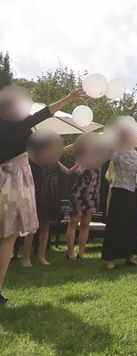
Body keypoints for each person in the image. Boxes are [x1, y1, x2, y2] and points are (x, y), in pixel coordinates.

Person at [0, 86, 83, 304]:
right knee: (7, 236)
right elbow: (47, 112)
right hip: (12, 185)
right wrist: (69, 97)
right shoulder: (22, 123)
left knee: (7, 236)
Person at [21, 133, 65, 267]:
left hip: (51, 193)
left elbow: (65, 153)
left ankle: (41, 256)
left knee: (46, 226)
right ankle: (26, 258)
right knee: (32, 227)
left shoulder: (55, 158)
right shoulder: (34, 157)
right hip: (37, 193)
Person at [101, 132, 137, 270]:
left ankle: (130, 255)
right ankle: (110, 259)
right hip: (119, 191)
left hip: (133, 191)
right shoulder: (116, 150)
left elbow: (136, 172)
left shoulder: (135, 153)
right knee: (116, 225)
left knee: (131, 225)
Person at [63, 138, 103, 261]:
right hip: (78, 195)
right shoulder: (80, 160)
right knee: (74, 223)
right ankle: (70, 253)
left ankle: (81, 253)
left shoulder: (98, 158)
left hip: (92, 195)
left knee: (85, 224)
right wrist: (79, 144)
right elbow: (63, 150)